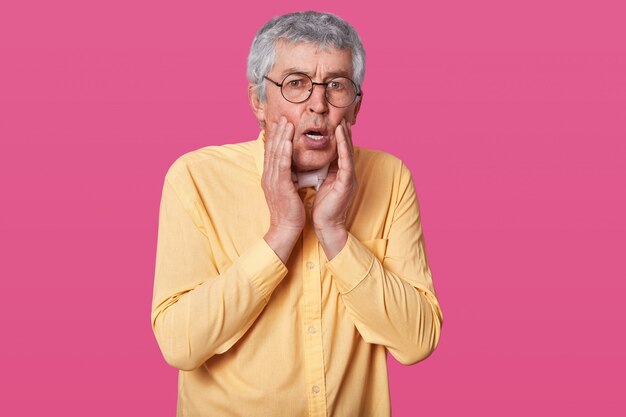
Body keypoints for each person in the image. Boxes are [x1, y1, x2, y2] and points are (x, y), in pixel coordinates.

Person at [151, 11, 443, 417]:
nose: (318, 105)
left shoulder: (390, 179)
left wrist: (335, 233)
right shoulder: (195, 179)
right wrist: (282, 232)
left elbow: (417, 340)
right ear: (258, 100)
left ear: (356, 107)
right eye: (296, 84)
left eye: (336, 85)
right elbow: (180, 345)